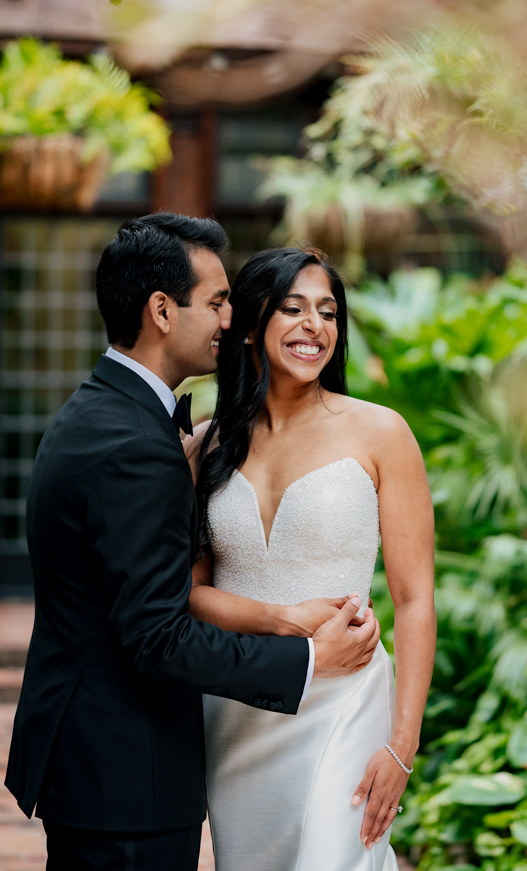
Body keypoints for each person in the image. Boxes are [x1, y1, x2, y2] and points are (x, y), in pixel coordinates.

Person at [5, 214, 380, 871]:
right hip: (125, 775)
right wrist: (306, 659)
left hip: (96, 763)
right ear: (161, 311)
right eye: (215, 302)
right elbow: (156, 635)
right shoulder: (135, 448)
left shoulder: (97, 414)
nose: (230, 320)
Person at [186, 246, 436, 871]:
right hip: (239, 705)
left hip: (346, 701)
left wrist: (401, 748)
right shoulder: (205, 445)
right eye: (292, 309)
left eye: (327, 312)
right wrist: (287, 618)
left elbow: (414, 599)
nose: (314, 326)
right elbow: (186, 594)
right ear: (250, 326)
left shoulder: (381, 432)